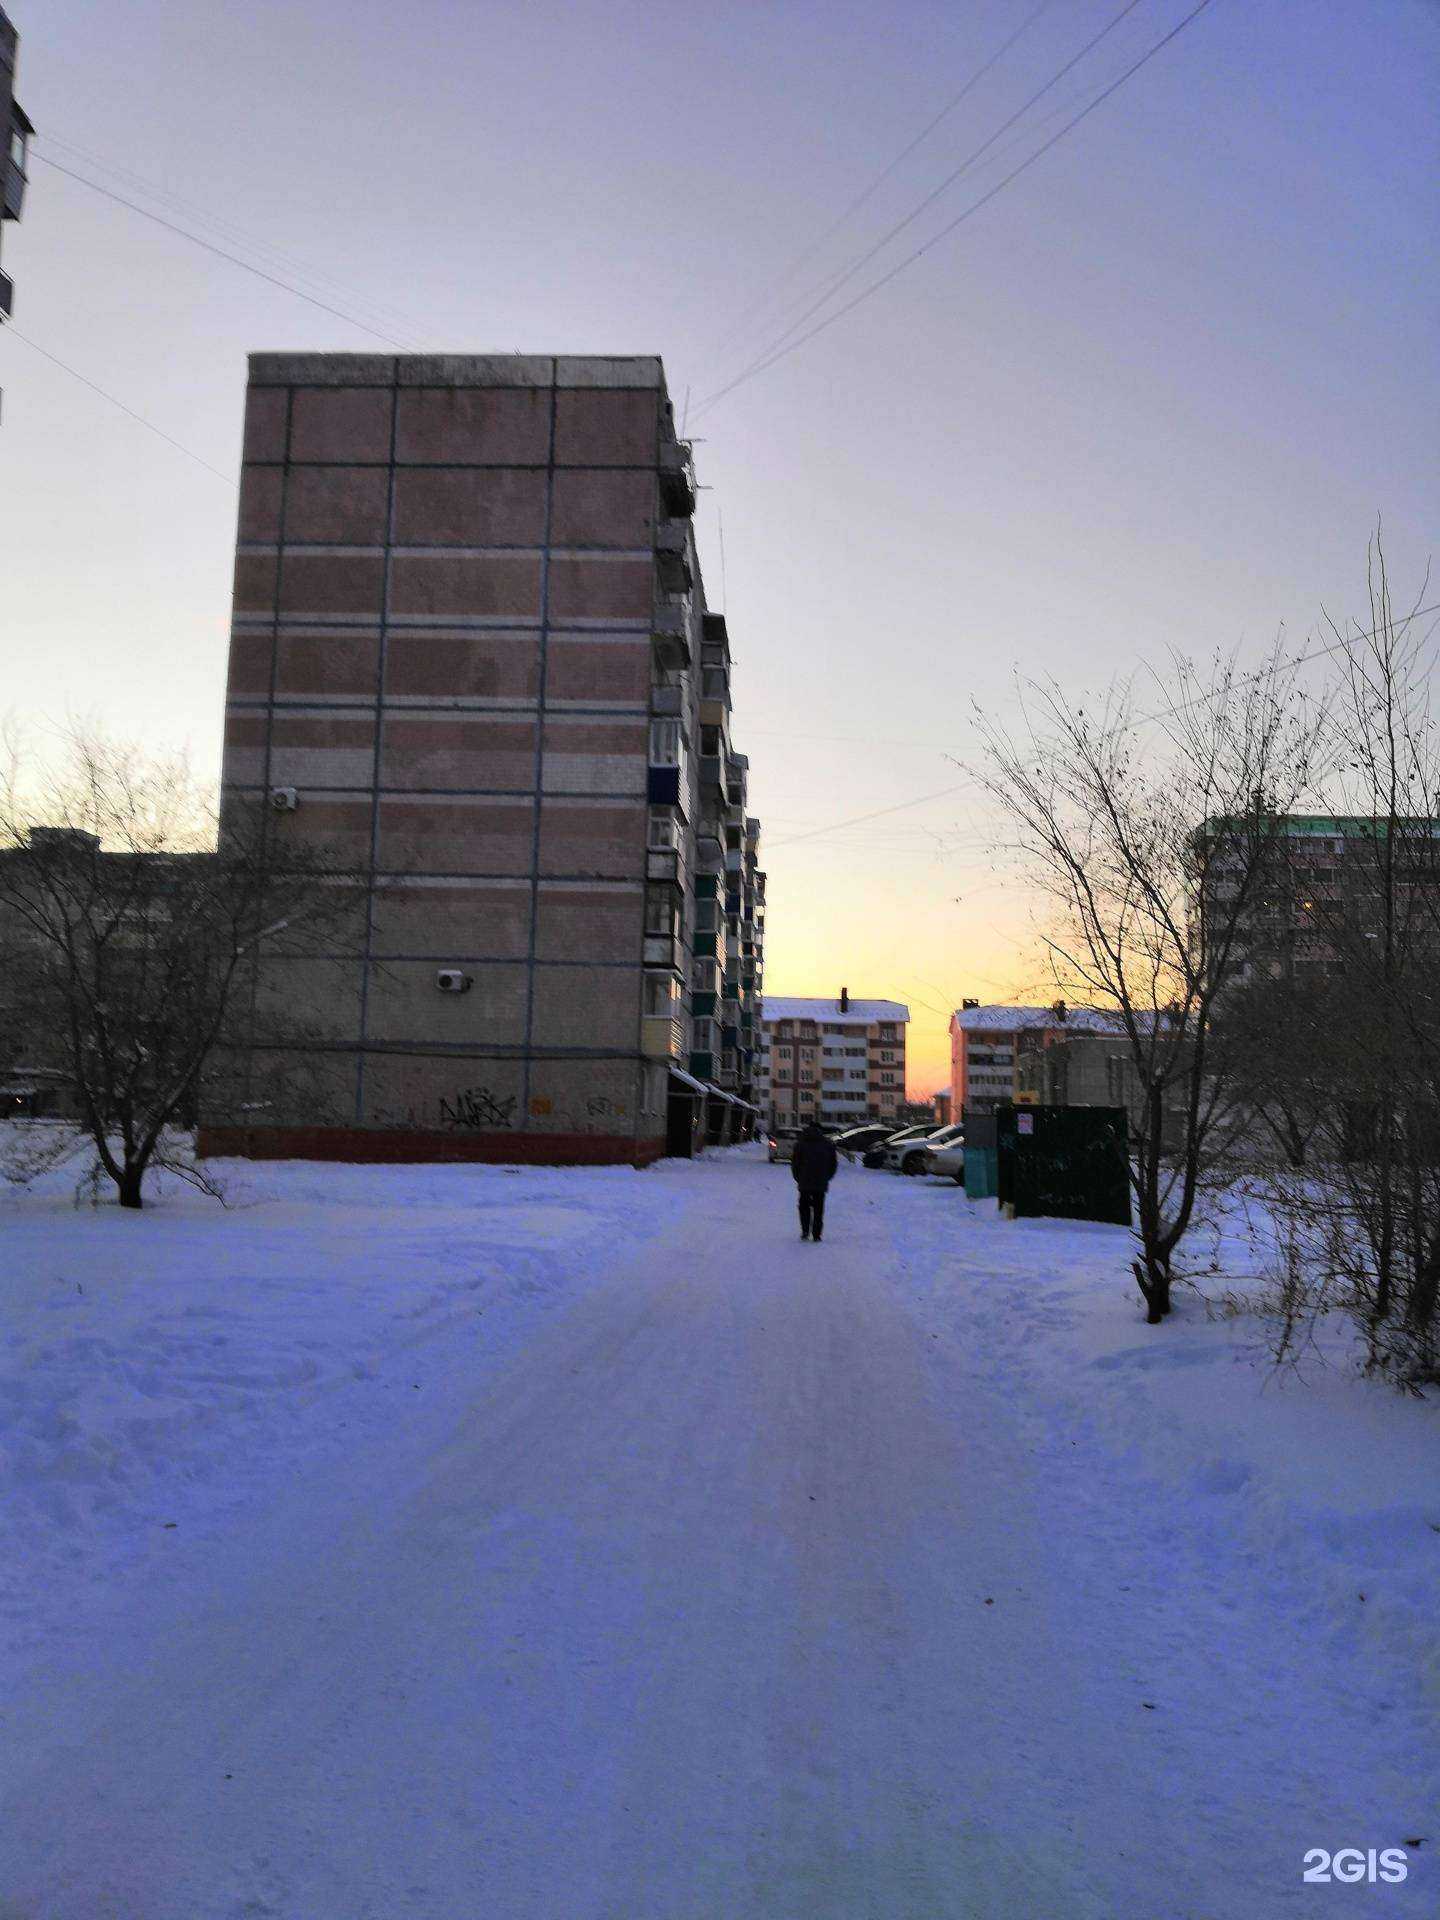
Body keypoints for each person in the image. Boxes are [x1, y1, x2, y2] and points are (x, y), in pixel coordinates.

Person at [790, 1119, 839, 1242]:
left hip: (804, 1181)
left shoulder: (800, 1144)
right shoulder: (828, 1144)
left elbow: (795, 1164)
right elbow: (833, 1164)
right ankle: (817, 1234)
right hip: (820, 1182)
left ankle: (805, 1231)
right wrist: (827, 1177)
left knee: (804, 1207)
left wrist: (798, 1178)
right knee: (818, 1208)